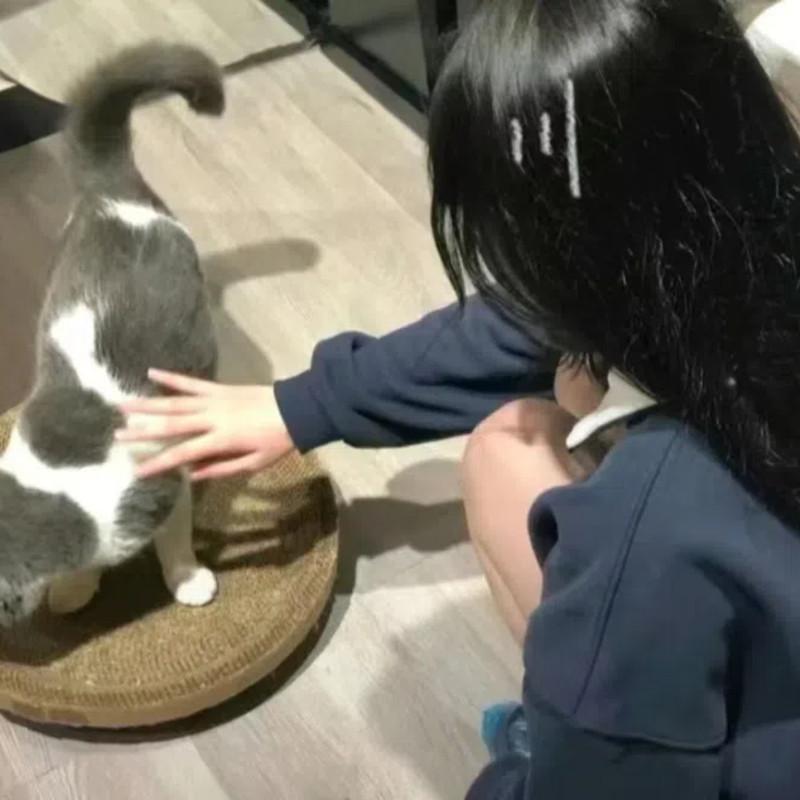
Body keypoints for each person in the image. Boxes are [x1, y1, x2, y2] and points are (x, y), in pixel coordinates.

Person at [116, 0, 800, 797]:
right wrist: (306, 404)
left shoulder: (646, 534)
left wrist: (541, 758)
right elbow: (524, 326)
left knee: (505, 454)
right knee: (521, 432)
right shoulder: (749, 207)